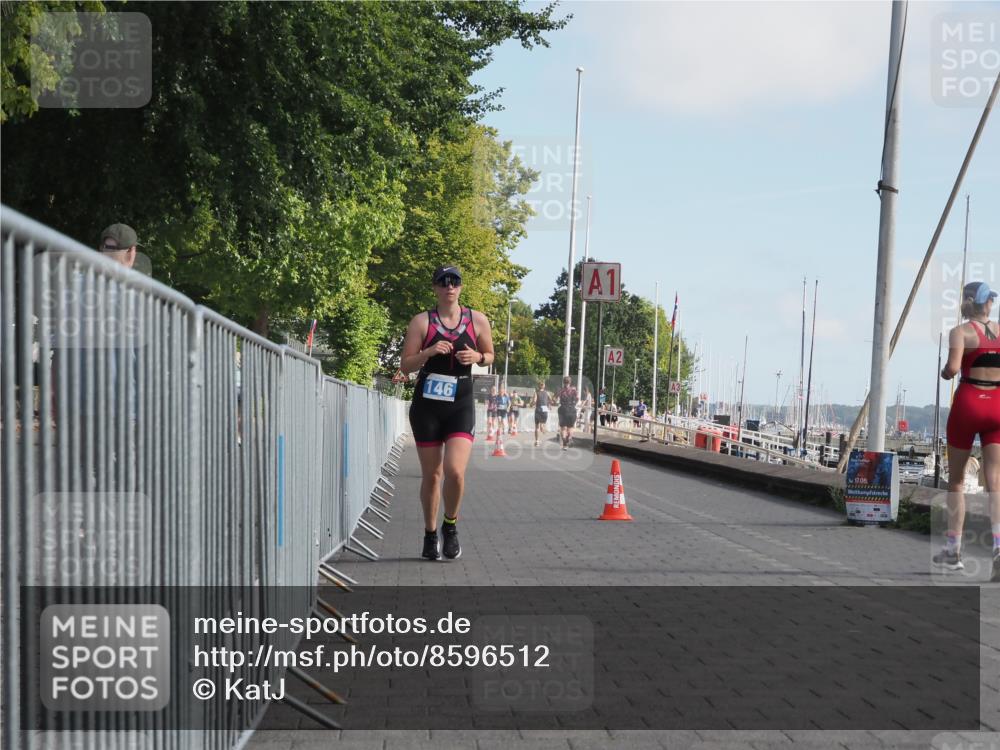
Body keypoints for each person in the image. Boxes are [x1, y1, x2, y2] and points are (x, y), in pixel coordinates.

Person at [400, 265, 494, 561]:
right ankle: (430, 535)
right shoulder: (421, 322)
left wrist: (478, 356)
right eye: (443, 282)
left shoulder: (477, 320)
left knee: (455, 471)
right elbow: (405, 365)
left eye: (454, 282)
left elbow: (490, 355)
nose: (449, 286)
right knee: (432, 475)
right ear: (435, 288)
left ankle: (450, 526)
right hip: (427, 406)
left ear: (461, 287)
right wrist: (428, 353)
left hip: (460, 404)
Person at [933, 281, 1000, 580]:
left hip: (970, 402)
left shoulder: (960, 332)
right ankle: (998, 547)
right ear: (987, 303)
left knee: (957, 481)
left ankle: (953, 550)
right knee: (995, 482)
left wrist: (944, 371)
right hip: (998, 405)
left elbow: (952, 369)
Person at [557, 376, 578, 450]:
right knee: (570, 427)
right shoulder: (574, 391)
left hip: (563, 410)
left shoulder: (561, 391)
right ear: (570, 382)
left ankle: (564, 445)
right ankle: (569, 438)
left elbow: (556, 399)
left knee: (563, 428)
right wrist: (573, 404)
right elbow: (577, 399)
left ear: (563, 382)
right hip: (572, 410)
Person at [532, 380, 551, 447]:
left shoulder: (536, 392)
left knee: (537, 427)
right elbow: (550, 400)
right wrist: (549, 405)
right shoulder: (547, 393)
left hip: (538, 409)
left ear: (538, 386)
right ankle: (543, 429)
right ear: (544, 386)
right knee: (542, 425)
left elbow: (534, 401)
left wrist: (532, 404)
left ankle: (537, 441)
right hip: (545, 409)